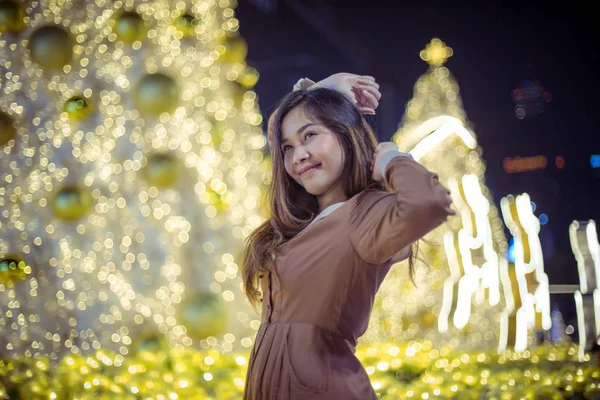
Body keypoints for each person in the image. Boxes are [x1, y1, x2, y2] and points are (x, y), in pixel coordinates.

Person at [241, 73, 455, 399]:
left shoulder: (365, 215)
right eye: (288, 147)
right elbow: (276, 125)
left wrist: (390, 159)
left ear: (345, 132)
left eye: (310, 135)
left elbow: (430, 202)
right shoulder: (301, 224)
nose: (297, 155)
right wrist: (322, 89)